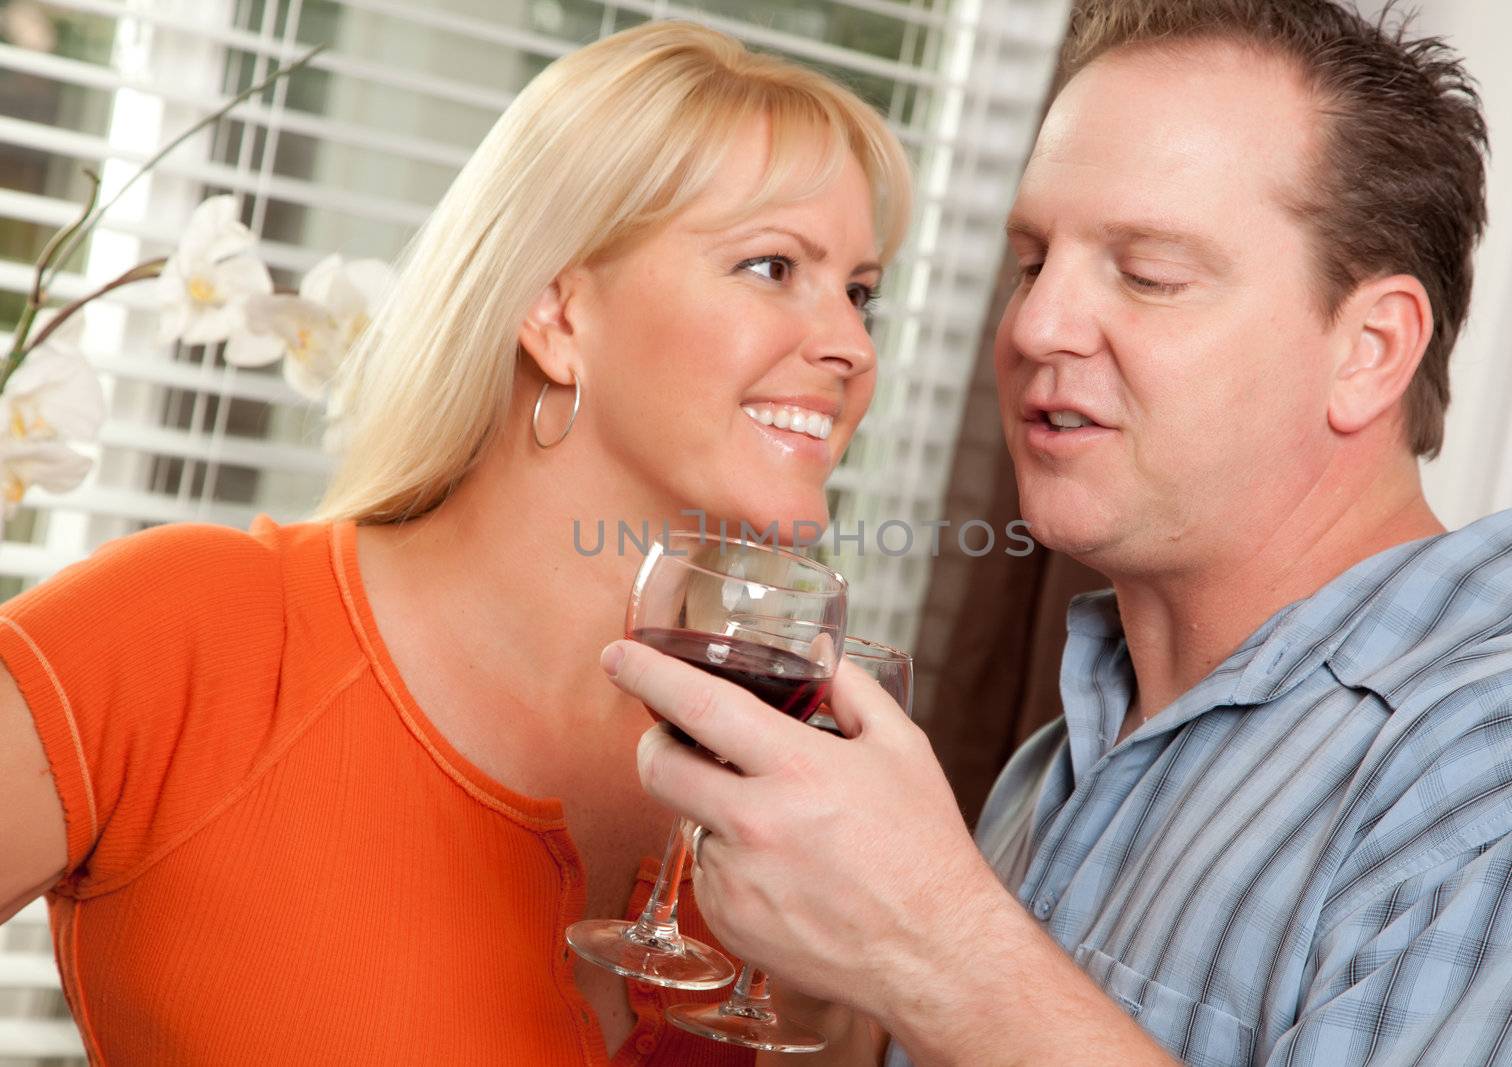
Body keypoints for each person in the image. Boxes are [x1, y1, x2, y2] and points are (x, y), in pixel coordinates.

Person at [604, 1, 1512, 1064]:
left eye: (1147, 273)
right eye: (1032, 262)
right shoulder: (1066, 756)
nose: (1035, 325)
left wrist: (936, 948)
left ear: (1368, 348)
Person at [0, 20, 910, 1065]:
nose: (848, 344)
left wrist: (837, 1010)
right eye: (770, 265)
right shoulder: (188, 638)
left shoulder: (795, 778)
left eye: (859, 291)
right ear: (556, 314)